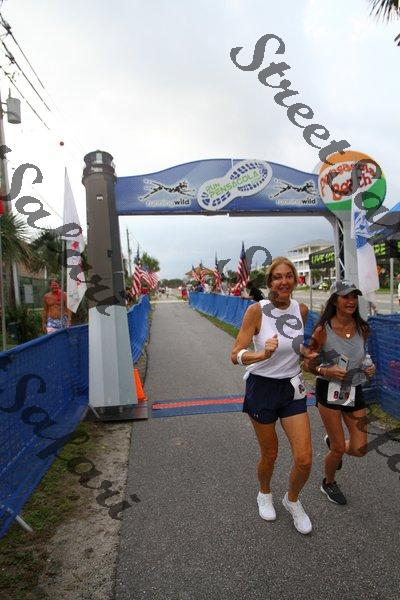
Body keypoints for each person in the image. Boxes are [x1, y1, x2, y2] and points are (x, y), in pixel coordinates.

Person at [231, 257, 317, 535]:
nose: (284, 281)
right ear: (270, 282)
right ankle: (264, 492)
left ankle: (292, 500)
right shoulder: (257, 311)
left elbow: (296, 348)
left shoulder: (301, 310)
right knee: (270, 453)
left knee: (304, 459)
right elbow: (235, 354)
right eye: (277, 277)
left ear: (295, 280)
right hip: (262, 388)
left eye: (288, 276)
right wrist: (261, 354)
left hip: (292, 388)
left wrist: (308, 357)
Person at [304, 280, 376, 506]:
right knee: (337, 449)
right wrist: (326, 370)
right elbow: (307, 365)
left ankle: (333, 443)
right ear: (335, 301)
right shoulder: (322, 331)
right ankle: (329, 482)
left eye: (354, 296)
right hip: (329, 390)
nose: (351, 301)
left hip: (354, 388)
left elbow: (362, 356)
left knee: (359, 449)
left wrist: (368, 367)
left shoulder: (362, 328)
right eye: (346, 297)